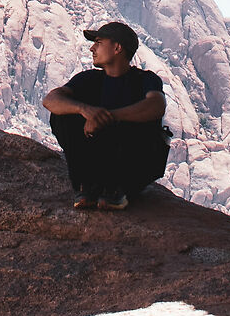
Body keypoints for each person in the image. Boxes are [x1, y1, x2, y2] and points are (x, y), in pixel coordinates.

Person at [41, 19, 169, 210]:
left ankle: (118, 189)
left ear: (117, 48)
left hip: (131, 163)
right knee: (61, 115)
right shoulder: (89, 79)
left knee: (145, 122)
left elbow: (157, 105)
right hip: (99, 157)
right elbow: (50, 100)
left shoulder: (145, 79)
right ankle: (88, 186)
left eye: (99, 43)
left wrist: (107, 117)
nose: (92, 48)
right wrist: (85, 110)